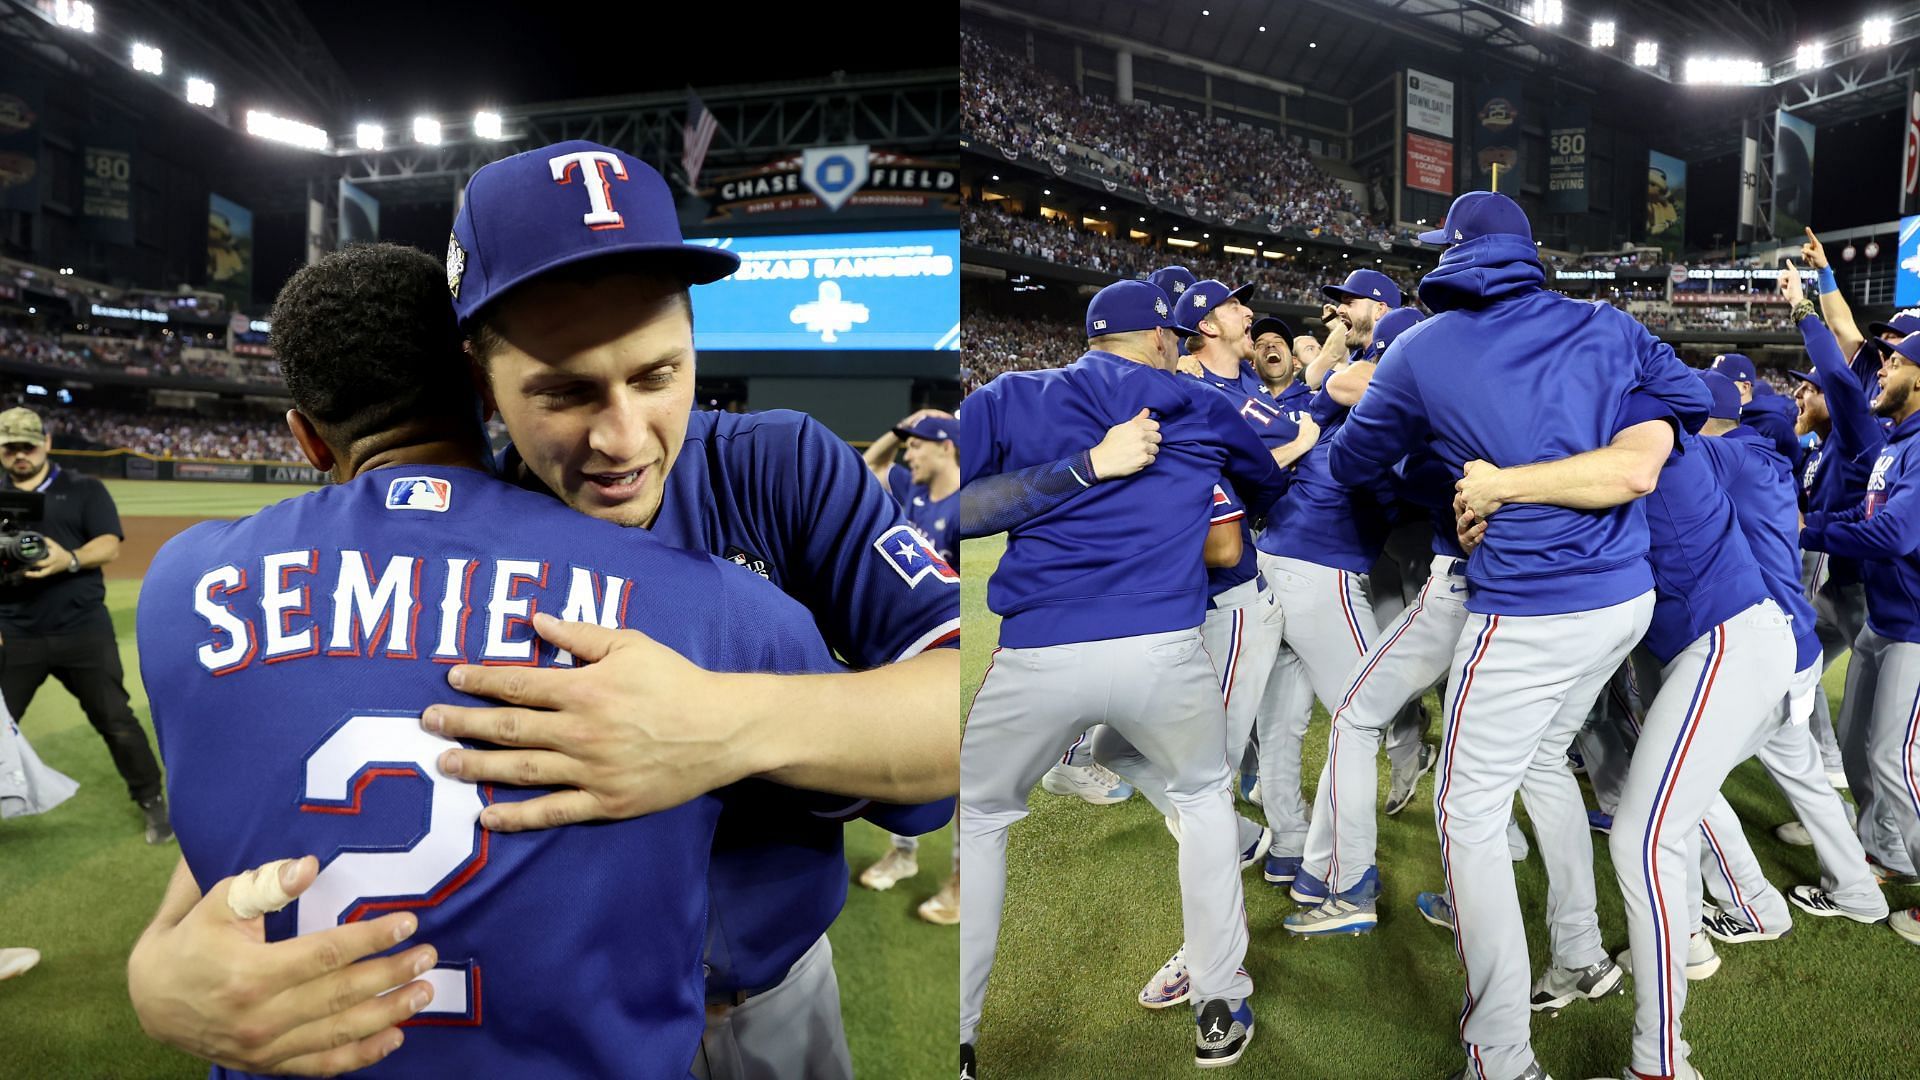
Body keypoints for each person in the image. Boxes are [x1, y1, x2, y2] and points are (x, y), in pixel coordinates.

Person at [127, 142, 959, 1079]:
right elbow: (291, 749)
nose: (623, 438)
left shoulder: (780, 462)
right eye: (564, 392)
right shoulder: (448, 544)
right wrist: (162, 954)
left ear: (696, 342)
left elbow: (966, 712)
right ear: (482, 387)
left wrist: (719, 726)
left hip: (765, 988)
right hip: (568, 1014)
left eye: (657, 375)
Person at [1327, 190, 1709, 1080]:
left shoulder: (1421, 348)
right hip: (1624, 599)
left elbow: (1350, 462)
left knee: (1467, 815)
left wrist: (1467, 470)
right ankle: (1578, 951)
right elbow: (1685, 409)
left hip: (1529, 607)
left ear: (1453, 256)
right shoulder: (1608, 326)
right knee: (1542, 763)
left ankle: (1499, 1056)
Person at [960, 280, 1287, 1073]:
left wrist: (1070, 475)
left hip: (1035, 653)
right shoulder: (1197, 405)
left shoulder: (1006, 395)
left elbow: (954, 512)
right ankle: (1216, 1001)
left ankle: (962, 1038)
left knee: (976, 820)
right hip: (1163, 650)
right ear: (1158, 338)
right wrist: (1104, 471)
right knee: (1205, 800)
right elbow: (1268, 485)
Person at [1457, 372, 1794, 1080]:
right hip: (1711, 647)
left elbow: (1617, 480)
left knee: (1645, 839)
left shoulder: (1652, 450)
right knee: (1667, 812)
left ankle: (1662, 1064)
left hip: (1730, 641)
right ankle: (1696, 937)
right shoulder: (1630, 448)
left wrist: (1501, 488)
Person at [0, 406, 168, 843]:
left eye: (28, 446)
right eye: (10, 447)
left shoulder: (83, 489)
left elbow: (109, 545)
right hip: (14, 633)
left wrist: (68, 559)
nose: (20, 455)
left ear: (47, 444)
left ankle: (153, 802)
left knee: (115, 719)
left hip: (82, 630)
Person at [1802, 331, 1920, 916]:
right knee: (1856, 746)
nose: (1883, 371)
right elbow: (1867, 511)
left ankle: (1905, 857)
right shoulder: (1900, 441)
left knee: (1894, 758)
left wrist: (1816, 531)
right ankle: (1885, 851)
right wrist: (1808, 523)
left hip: (1916, 630)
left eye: (1895, 362)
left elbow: (1895, 533)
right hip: (1887, 618)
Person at [858, 410, 960, 923]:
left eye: (918, 446)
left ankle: (963, 883)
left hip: (956, 661)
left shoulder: (965, 507)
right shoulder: (911, 490)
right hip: (908, 655)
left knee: (970, 780)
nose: (908, 455)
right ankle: (903, 854)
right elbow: (868, 466)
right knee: (900, 766)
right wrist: (897, 430)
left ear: (946, 447)